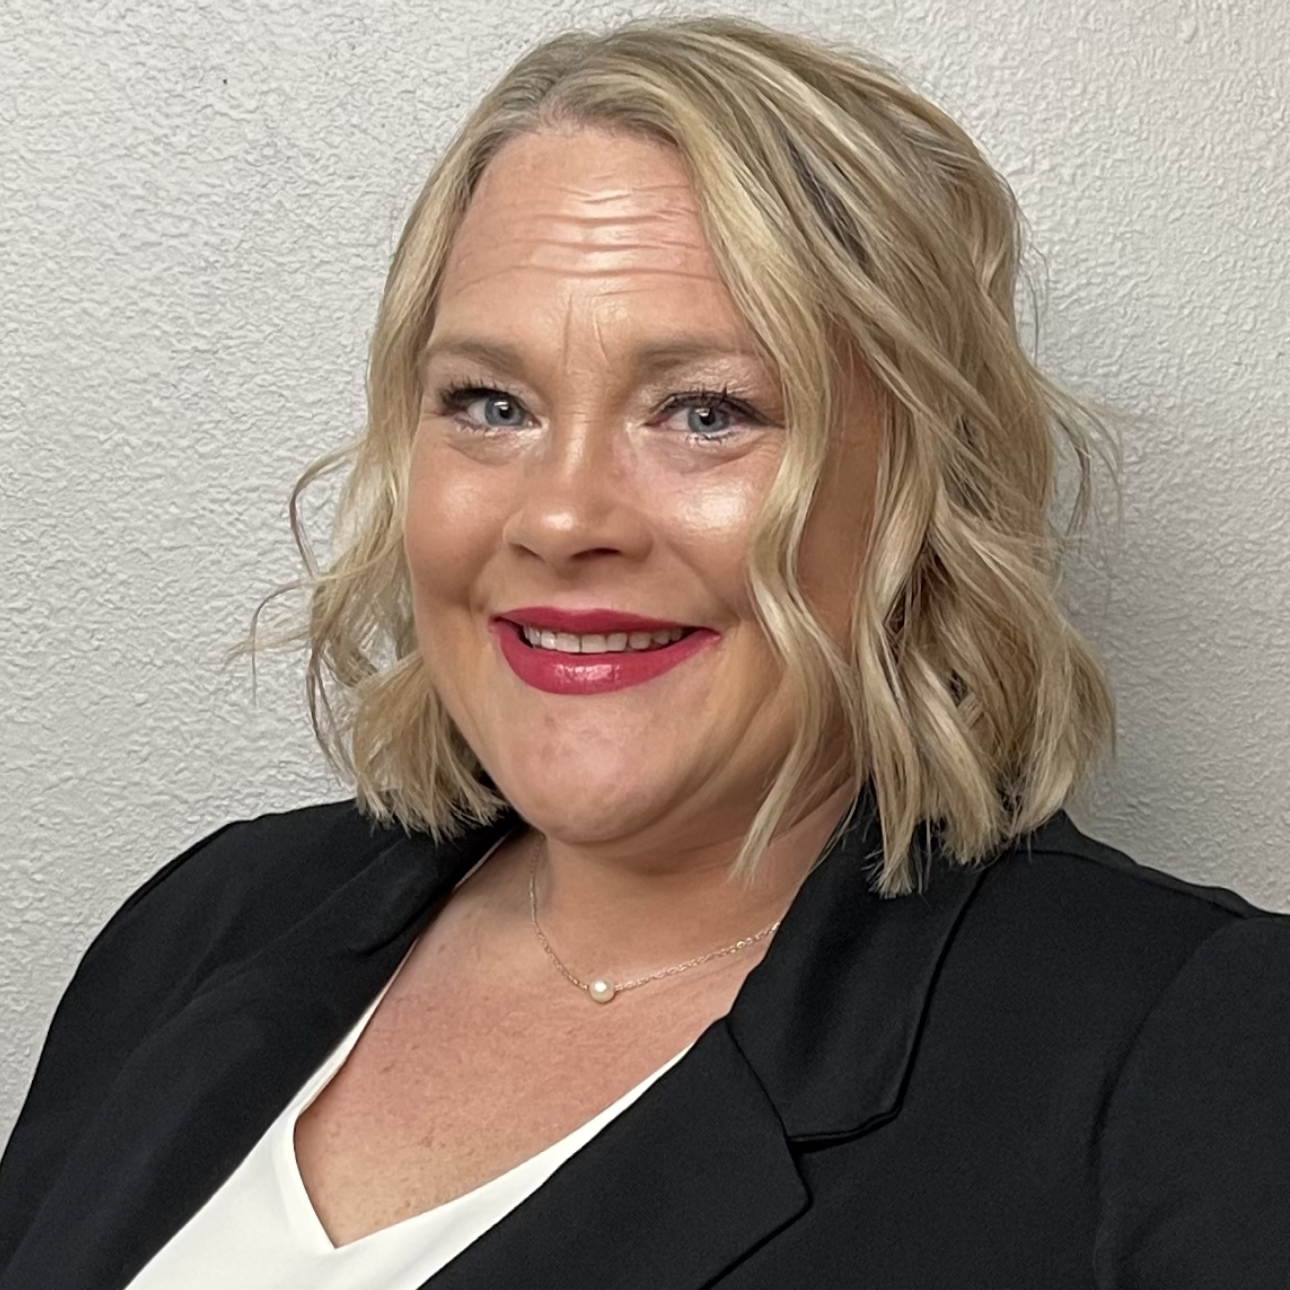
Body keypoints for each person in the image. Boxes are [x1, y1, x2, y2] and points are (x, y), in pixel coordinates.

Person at [1, 14, 1287, 1290]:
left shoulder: (1196, 1058)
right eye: (489, 405)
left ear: (918, 490)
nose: (561, 518)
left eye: (706, 412)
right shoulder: (213, 920)